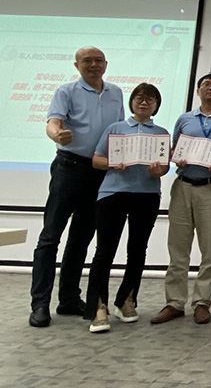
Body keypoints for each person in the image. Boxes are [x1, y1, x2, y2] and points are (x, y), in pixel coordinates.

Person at [29, 46, 125, 328]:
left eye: (98, 60)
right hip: (69, 168)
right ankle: (40, 304)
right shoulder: (66, 91)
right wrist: (56, 134)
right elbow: (53, 122)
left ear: (105, 64)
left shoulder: (116, 93)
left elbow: (119, 131)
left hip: (99, 172)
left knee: (81, 239)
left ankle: (69, 299)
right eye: (87, 61)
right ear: (77, 65)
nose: (93, 65)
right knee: (50, 237)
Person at [150, 73, 211, 325]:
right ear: (198, 91)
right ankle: (174, 303)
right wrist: (176, 158)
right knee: (178, 247)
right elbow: (173, 149)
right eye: (207, 85)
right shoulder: (184, 119)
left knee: (210, 249)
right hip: (183, 186)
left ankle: (202, 302)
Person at [84, 83, 170, 333]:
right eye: (139, 98)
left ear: (156, 105)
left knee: (138, 250)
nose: (144, 103)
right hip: (113, 194)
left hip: (146, 195)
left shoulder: (161, 133)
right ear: (131, 102)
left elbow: (165, 167)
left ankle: (127, 300)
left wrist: (158, 171)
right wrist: (113, 163)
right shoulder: (116, 128)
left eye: (150, 99)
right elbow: (96, 160)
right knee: (104, 252)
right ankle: (98, 307)